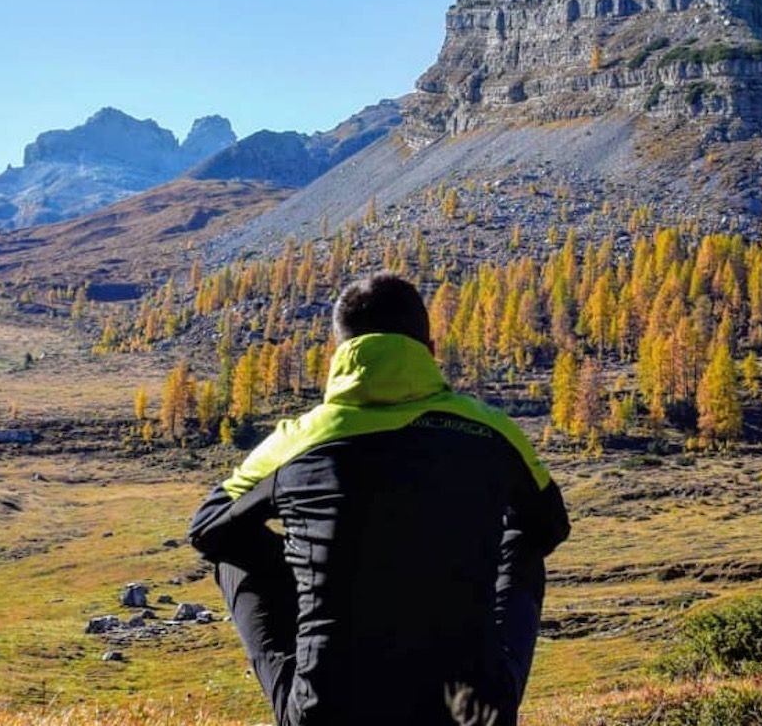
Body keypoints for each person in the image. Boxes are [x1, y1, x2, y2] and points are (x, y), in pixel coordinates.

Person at [189, 272, 570, 726]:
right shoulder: (491, 430)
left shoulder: (298, 440)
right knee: (521, 541)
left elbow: (208, 527)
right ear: (429, 352)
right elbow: (549, 526)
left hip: (332, 711)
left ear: (340, 354)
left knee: (233, 548)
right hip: (469, 711)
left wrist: (307, 556)